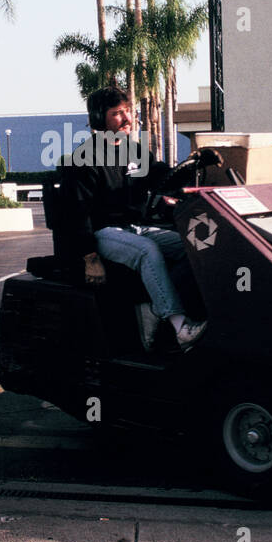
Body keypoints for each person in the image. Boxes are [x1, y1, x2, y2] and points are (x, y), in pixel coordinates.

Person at [60, 86, 214, 352]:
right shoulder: (83, 159)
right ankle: (180, 328)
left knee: (195, 246)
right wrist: (90, 258)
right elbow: (77, 214)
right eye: (117, 114)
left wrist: (195, 164)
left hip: (135, 229)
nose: (127, 119)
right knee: (147, 251)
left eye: (127, 111)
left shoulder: (135, 151)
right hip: (103, 233)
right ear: (99, 119)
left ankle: (159, 308)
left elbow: (164, 178)